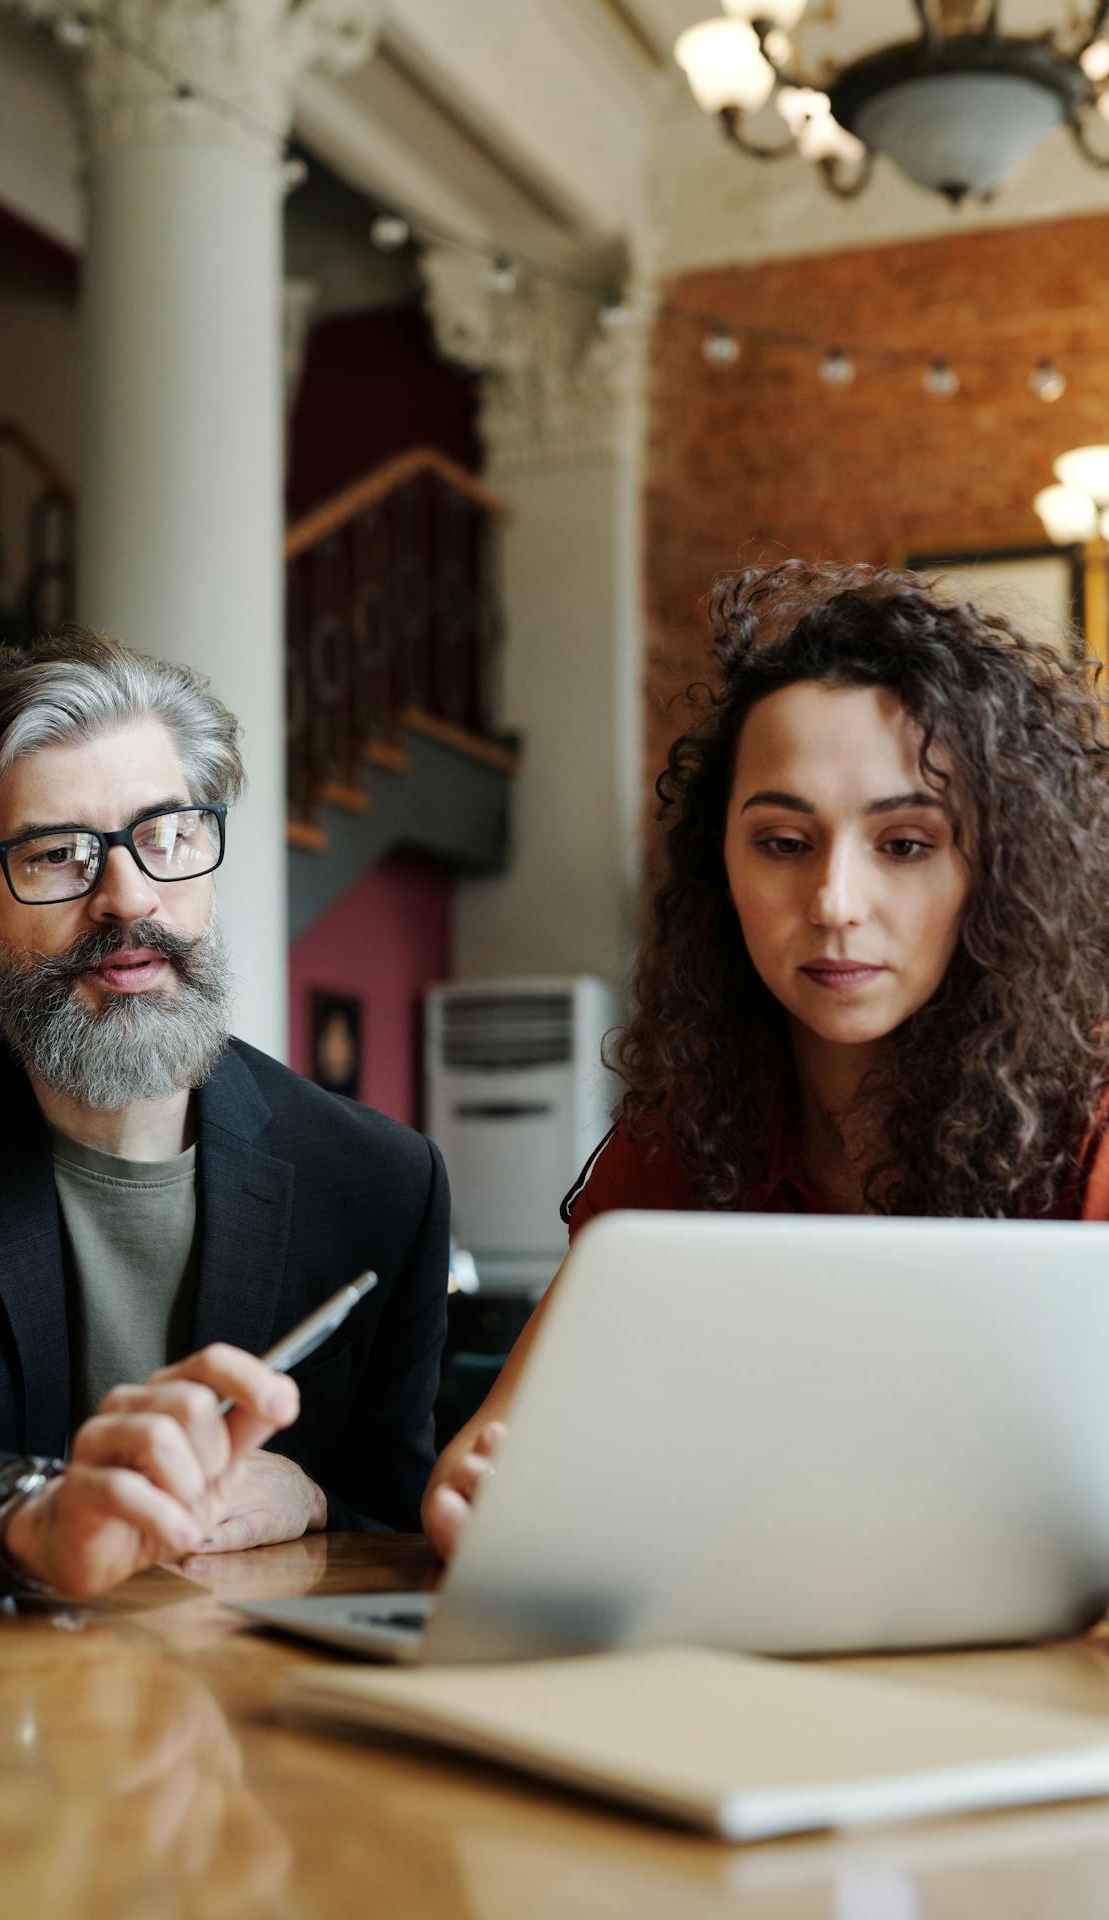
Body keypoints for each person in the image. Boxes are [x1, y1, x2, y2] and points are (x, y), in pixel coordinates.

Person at [423, 558, 1109, 1558]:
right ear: (722, 870)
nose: (832, 902)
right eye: (783, 842)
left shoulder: (1088, 1125)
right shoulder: (684, 1130)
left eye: (905, 844)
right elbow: (490, 1459)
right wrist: (482, 1501)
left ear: (997, 872)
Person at [0, 629, 449, 1598]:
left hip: (235, 1712)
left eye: (166, 835)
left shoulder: (378, 1182)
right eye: (57, 854)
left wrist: (313, 1495)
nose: (127, 897)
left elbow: (399, 1515)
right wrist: (26, 1519)